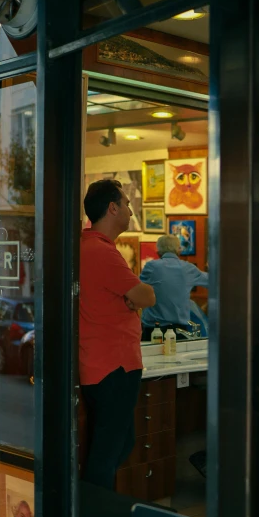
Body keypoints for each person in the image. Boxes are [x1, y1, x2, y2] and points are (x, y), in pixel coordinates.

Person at [80, 179, 155, 489]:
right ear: (112, 208)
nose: (129, 210)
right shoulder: (101, 251)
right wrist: (132, 298)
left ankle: (94, 513)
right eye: (126, 204)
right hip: (114, 366)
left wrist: (131, 296)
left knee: (120, 444)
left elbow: (134, 295)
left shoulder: (87, 246)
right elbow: (146, 296)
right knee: (107, 454)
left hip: (101, 364)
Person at [140, 234, 208, 340]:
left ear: (158, 252)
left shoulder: (151, 267)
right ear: (179, 250)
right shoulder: (188, 269)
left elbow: (136, 289)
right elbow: (212, 282)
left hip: (152, 331)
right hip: (179, 332)